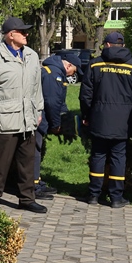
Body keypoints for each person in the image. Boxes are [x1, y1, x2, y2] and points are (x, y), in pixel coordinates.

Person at [0, 16, 46, 214]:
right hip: (4, 120)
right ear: (11, 35)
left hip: (28, 120)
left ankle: (27, 199)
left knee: (27, 164)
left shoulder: (31, 56)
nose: (26, 34)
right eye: (22, 31)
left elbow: (36, 87)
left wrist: (38, 110)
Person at [79, 31, 132, 208]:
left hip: (99, 119)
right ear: (123, 46)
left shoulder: (95, 64)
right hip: (124, 121)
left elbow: (86, 94)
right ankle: (116, 197)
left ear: (107, 45)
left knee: (98, 155)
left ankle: (94, 195)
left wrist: (86, 115)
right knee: (118, 157)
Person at [36, 51, 81, 201]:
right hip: (38, 119)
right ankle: (33, 186)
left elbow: (60, 102)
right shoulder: (53, 74)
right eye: (74, 71)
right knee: (35, 151)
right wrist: (56, 124)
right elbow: (52, 102)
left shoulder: (55, 72)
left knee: (37, 150)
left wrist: (65, 116)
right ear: (68, 65)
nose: (72, 75)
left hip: (41, 119)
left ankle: (36, 181)